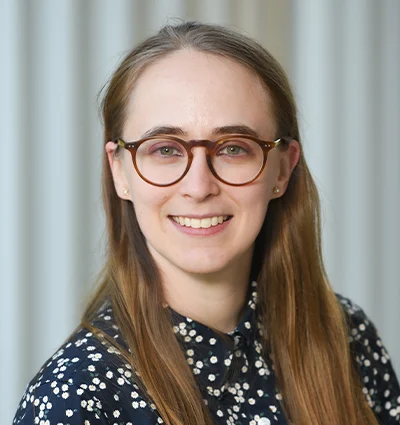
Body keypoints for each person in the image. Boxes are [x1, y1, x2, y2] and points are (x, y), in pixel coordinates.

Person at [14, 21, 400, 425]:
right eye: (164, 149)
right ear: (120, 172)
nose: (199, 187)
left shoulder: (347, 338)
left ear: (283, 169)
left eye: (234, 148)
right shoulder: (80, 395)